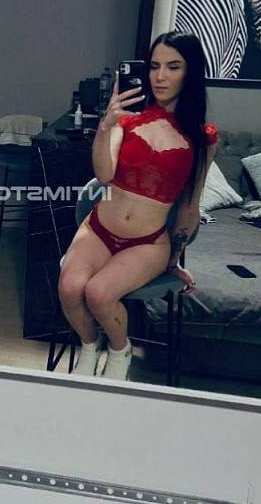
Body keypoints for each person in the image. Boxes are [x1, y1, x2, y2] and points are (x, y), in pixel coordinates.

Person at [58, 31, 219, 380]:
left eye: (173, 67)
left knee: (99, 294)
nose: (160, 76)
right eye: (154, 66)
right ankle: (89, 346)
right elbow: (104, 174)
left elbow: (190, 205)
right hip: (99, 230)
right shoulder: (128, 120)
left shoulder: (203, 137)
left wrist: (174, 261)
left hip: (147, 243)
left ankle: (120, 350)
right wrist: (106, 126)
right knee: (70, 289)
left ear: (190, 72)